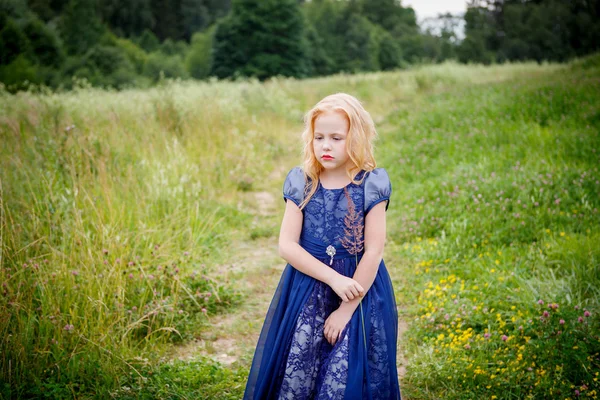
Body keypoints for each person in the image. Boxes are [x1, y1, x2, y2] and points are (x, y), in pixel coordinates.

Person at [243, 93, 402, 400]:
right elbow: (286, 246)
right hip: (307, 288)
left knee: (346, 375)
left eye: (336, 138)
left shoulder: (371, 184)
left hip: (360, 291)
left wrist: (347, 308)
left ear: (355, 139)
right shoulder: (303, 182)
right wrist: (332, 278)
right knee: (301, 366)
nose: (326, 145)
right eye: (319, 137)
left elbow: (374, 251)